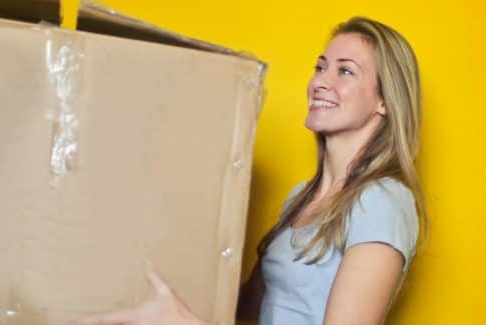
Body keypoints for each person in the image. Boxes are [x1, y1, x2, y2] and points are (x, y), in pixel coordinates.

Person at [72, 16, 426, 325]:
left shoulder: (381, 202)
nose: (320, 81)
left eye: (345, 71)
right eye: (320, 67)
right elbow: (249, 304)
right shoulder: (299, 200)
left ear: (384, 101)